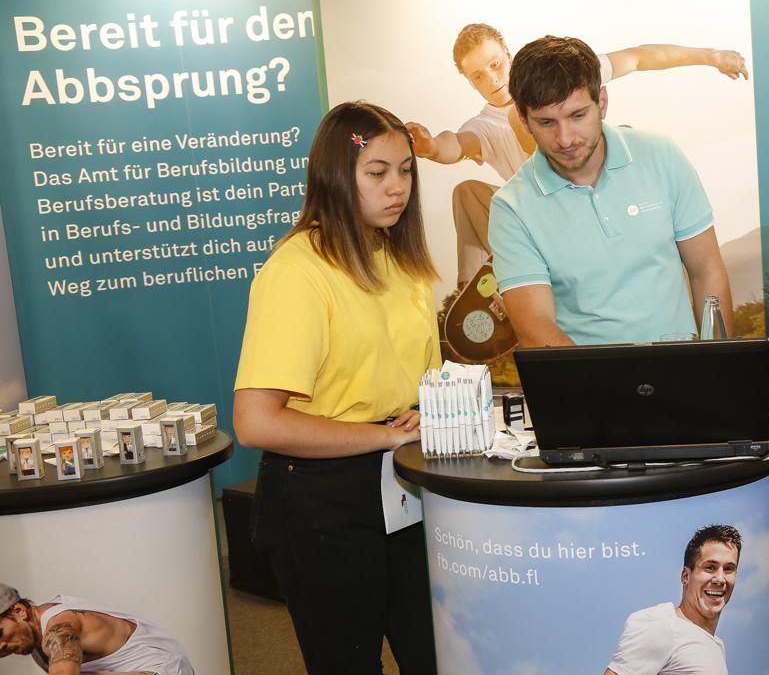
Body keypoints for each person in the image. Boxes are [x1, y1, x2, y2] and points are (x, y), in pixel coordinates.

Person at [233, 101, 441, 674]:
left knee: (436, 656)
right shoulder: (296, 271)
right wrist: (381, 436)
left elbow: (417, 378)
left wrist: (428, 415)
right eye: (377, 172)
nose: (397, 187)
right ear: (335, 175)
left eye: (405, 170)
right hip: (319, 501)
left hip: (404, 483)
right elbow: (256, 422)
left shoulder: (401, 257)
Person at [406, 23, 749, 286]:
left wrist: (712, 57)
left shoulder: (568, 74)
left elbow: (640, 57)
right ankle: (478, 292)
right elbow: (457, 144)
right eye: (478, 76)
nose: (492, 80)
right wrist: (431, 146)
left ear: (508, 55)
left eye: (495, 65)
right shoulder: (485, 125)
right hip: (544, 227)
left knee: (626, 137)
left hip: (599, 208)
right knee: (467, 194)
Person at [488, 35, 732, 346]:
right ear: (524, 121)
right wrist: (602, 379)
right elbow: (535, 326)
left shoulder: (661, 155)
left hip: (681, 369)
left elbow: (707, 272)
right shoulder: (511, 207)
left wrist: (719, 366)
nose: (565, 139)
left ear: (602, 102)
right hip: (584, 376)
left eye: (577, 116)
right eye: (547, 122)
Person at [604, 525, 741, 675]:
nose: (720, 579)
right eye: (710, 567)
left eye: (728, 569)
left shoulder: (717, 645)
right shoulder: (660, 626)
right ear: (686, 576)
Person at [0, 583, 194, 674]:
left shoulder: (60, 626)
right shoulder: (32, 638)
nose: (1, 646)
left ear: (19, 611)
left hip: (162, 669)